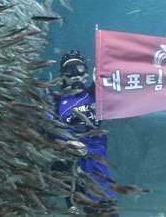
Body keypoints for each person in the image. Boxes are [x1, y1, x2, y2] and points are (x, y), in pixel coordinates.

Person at [51, 50, 119, 216]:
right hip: (69, 167)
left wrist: (103, 85)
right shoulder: (55, 99)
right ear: (63, 75)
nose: (75, 74)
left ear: (86, 72)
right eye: (69, 69)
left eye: (79, 68)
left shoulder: (95, 94)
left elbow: (120, 102)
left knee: (105, 209)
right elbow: (48, 125)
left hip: (96, 165)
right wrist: (68, 141)